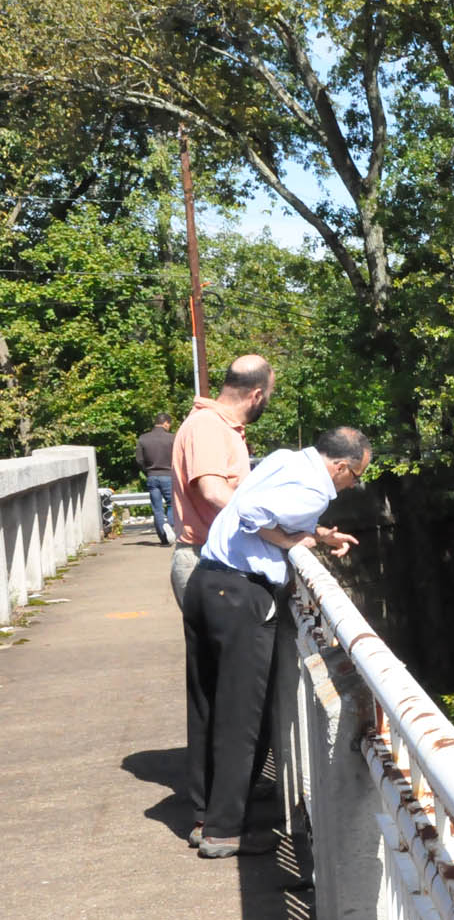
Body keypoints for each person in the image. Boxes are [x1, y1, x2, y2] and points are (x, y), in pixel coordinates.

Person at [183, 426, 367, 858]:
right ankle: (224, 832)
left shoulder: (287, 459)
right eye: (357, 476)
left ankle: (203, 816)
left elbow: (265, 504)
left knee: (205, 705)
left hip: (206, 584)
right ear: (341, 466)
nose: (354, 485)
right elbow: (253, 512)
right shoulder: (316, 490)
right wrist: (288, 542)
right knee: (243, 716)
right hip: (241, 595)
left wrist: (318, 535)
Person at [169, 355, 274, 608]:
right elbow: (214, 491)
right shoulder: (208, 425)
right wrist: (272, 530)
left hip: (213, 561)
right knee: (228, 648)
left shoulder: (222, 426)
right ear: (257, 395)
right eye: (270, 396)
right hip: (206, 560)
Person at [134, 413, 176, 544]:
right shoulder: (172, 438)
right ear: (166, 423)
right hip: (168, 475)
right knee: (172, 504)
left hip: (152, 476)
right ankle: (171, 530)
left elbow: (139, 460)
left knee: (157, 508)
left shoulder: (143, 438)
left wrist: (147, 470)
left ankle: (163, 537)